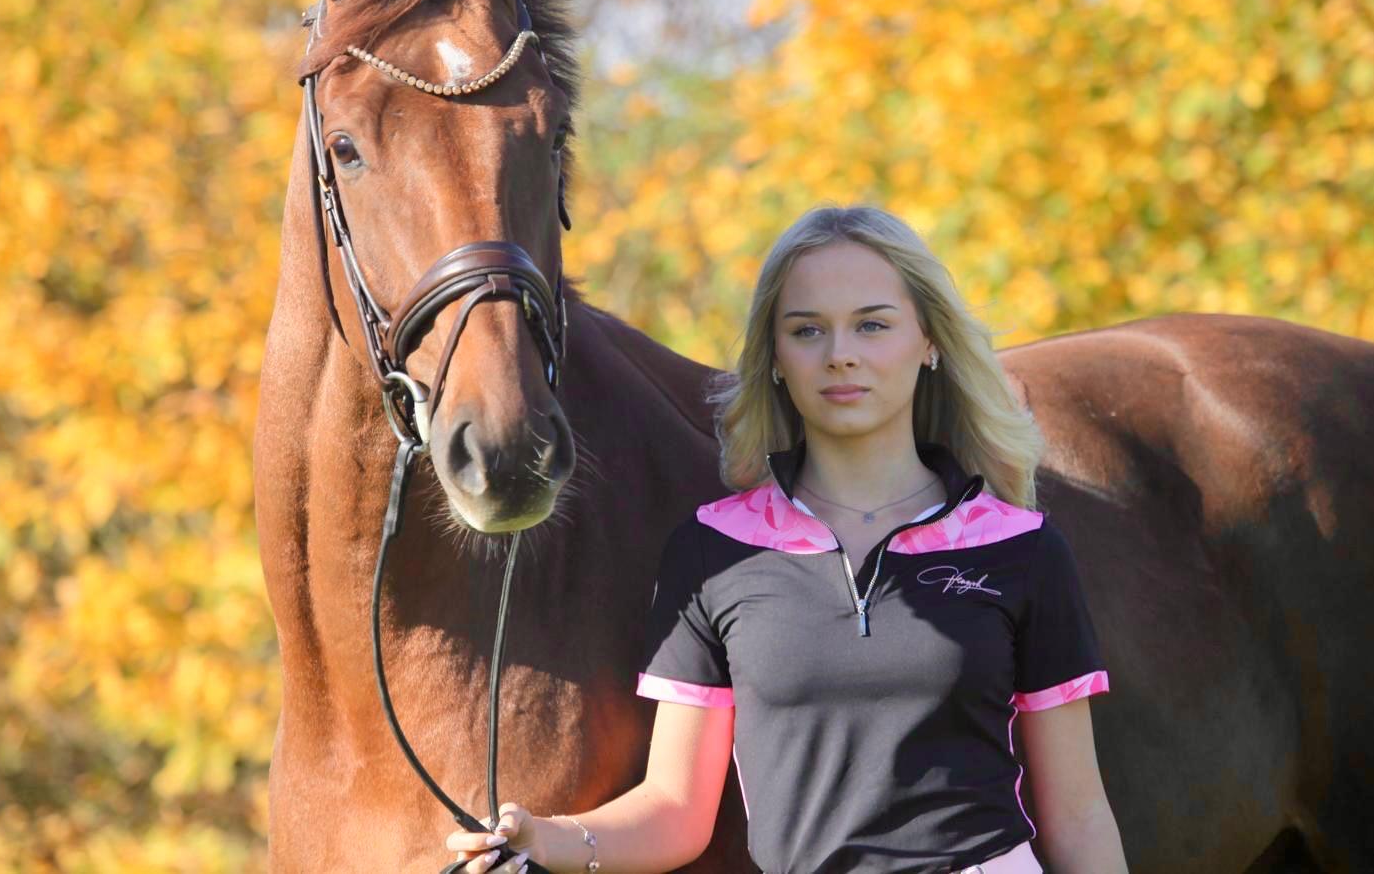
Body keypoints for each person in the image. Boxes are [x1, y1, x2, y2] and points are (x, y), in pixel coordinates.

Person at [445, 206, 1128, 873]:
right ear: (773, 357)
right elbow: (676, 810)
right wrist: (544, 839)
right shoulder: (714, 550)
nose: (840, 357)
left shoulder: (1020, 547)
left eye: (872, 325)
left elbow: (1078, 815)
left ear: (930, 344)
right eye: (807, 331)